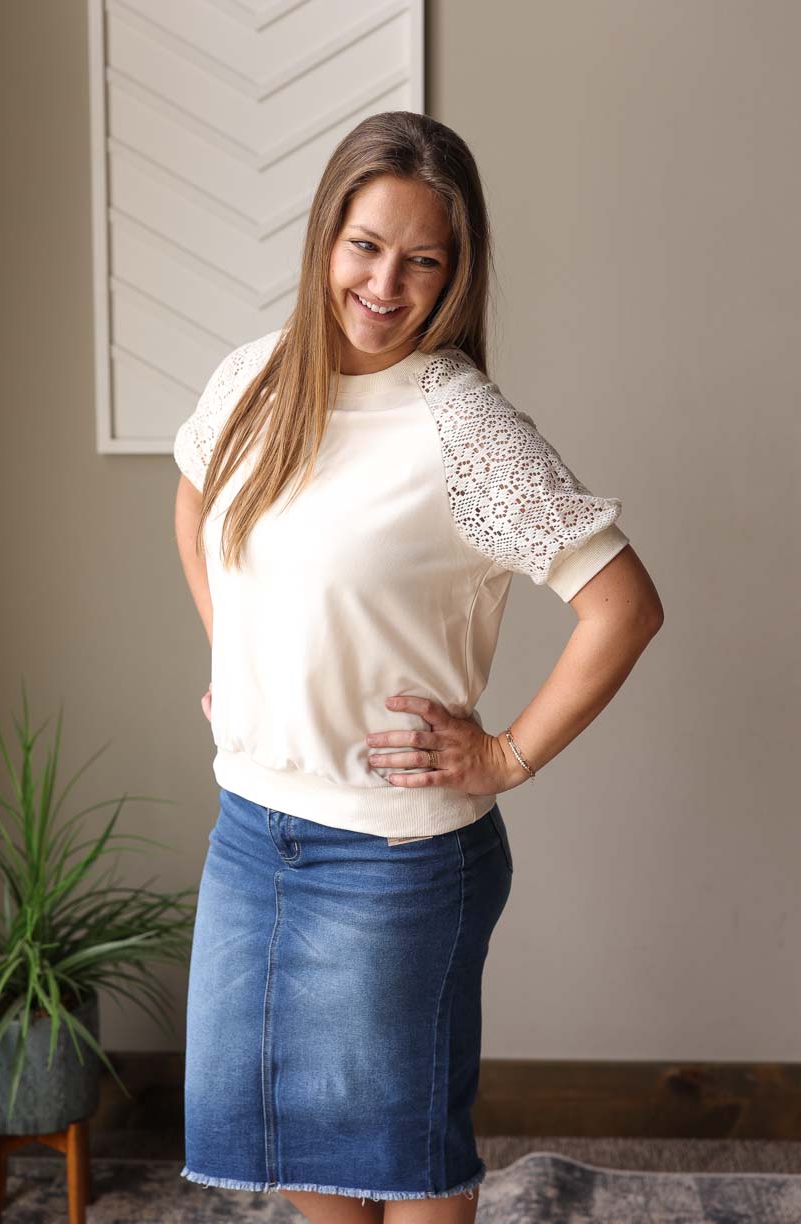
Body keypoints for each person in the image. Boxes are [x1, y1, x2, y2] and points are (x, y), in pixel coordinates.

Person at [173, 110, 663, 1224]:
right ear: (325, 236)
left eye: (422, 258)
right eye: (366, 245)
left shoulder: (463, 425)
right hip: (250, 835)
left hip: (393, 861)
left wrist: (506, 753)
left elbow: (624, 607)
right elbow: (198, 504)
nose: (386, 283)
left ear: (456, 271)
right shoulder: (253, 380)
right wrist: (235, 647)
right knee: (287, 1148)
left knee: (408, 1164)